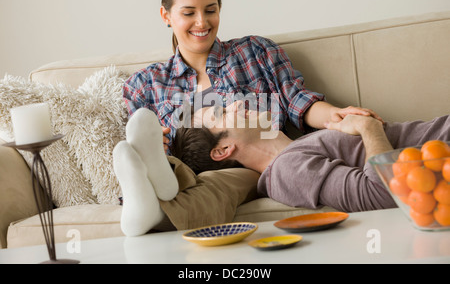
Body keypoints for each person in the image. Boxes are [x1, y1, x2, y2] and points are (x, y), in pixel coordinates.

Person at [122, 0, 382, 153]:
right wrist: (155, 147)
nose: (201, 22)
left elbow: (297, 101)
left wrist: (337, 115)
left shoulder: (256, 51)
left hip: (256, 163)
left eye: (210, 10)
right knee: (186, 181)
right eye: (189, 13)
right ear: (166, 16)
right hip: (190, 177)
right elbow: (148, 146)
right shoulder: (144, 85)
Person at [171, 103, 450, 212]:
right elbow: (382, 194)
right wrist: (368, 127)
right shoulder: (286, 171)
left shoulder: (298, 148)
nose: (236, 103)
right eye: (221, 113)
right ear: (222, 150)